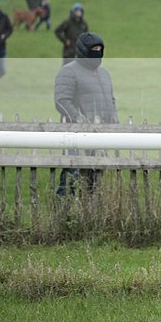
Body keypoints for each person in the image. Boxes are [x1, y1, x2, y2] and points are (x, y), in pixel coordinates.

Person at [54, 32, 118, 198]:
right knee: (73, 178)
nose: (97, 52)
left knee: (95, 181)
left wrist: (114, 121)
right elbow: (61, 101)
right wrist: (80, 120)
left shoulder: (104, 74)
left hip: (101, 136)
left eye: (100, 48)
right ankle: (65, 214)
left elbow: (111, 100)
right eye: (93, 49)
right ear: (83, 50)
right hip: (77, 136)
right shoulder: (68, 71)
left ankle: (88, 215)